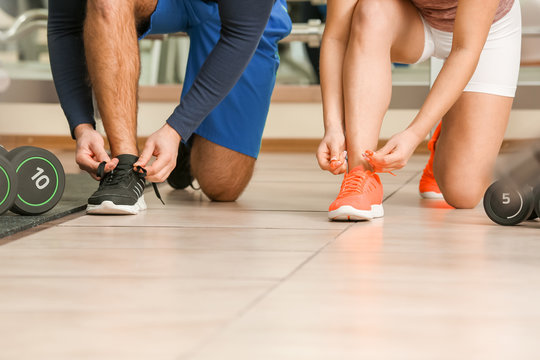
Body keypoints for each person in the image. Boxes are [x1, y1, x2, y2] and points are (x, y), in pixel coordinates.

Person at [47, 0, 292, 214]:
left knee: (222, 183)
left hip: (243, 17)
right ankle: (125, 168)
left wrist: (178, 128)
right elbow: (65, 23)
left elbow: (242, 32)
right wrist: (82, 126)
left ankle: (188, 139)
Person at [316, 0, 521, 221]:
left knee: (463, 193)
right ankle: (360, 175)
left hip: (487, 33)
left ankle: (447, 131)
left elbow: (465, 50)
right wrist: (334, 126)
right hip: (413, 20)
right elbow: (337, 36)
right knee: (370, 11)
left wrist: (415, 133)